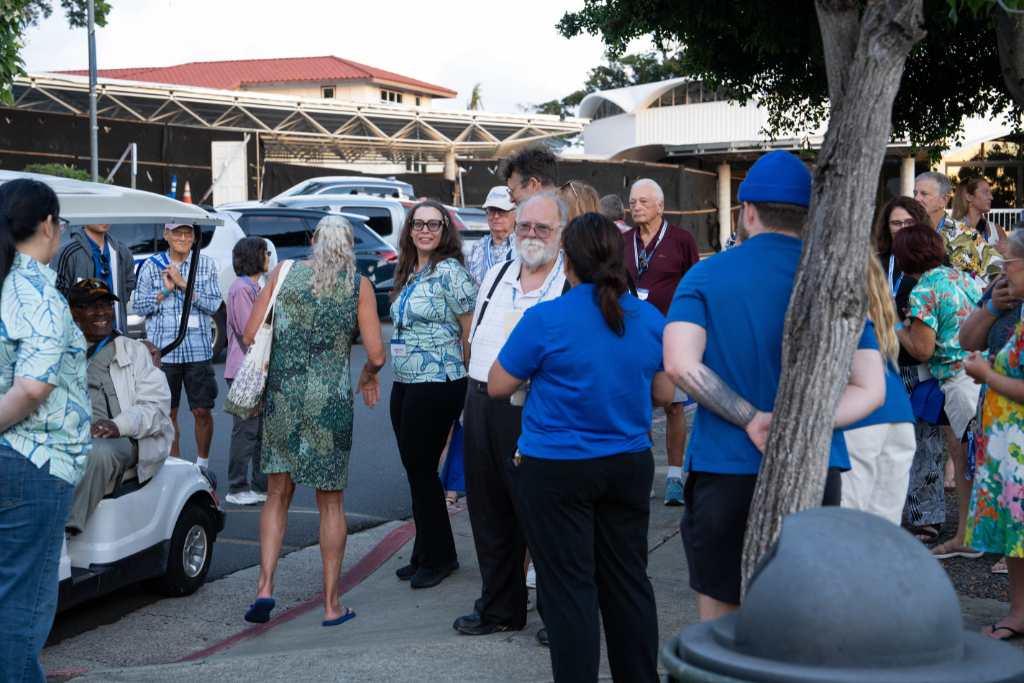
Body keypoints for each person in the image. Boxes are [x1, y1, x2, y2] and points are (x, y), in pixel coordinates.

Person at [663, 150, 885, 622]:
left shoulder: (706, 275)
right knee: (800, 618)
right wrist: (793, 424)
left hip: (725, 469)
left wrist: (751, 418)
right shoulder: (835, 283)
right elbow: (870, 388)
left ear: (747, 211)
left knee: (720, 620)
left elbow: (680, 364)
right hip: (815, 466)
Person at [490, 212, 675, 683]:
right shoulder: (648, 318)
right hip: (627, 463)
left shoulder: (546, 318)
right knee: (628, 583)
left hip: (557, 468)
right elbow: (664, 393)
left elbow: (497, 384)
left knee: (569, 590)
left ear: (567, 261)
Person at [243, 215, 385, 626]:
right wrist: (368, 375)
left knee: (276, 494)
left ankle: (265, 587)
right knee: (331, 503)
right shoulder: (357, 285)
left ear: (313, 240)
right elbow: (377, 354)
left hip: (283, 395)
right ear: (350, 245)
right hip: (330, 400)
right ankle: (331, 604)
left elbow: (250, 334)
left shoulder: (283, 273)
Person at [453, 191, 568, 637]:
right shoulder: (498, 273)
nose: (531, 234)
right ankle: (500, 608)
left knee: (544, 516)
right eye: (525, 226)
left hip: (537, 408)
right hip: (482, 401)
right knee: (488, 512)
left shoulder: (568, 282)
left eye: (543, 227)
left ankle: (560, 615)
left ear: (561, 233)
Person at [0, 179, 90, 682]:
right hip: (34, 461)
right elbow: (33, 387)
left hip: (13, 461)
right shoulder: (34, 290)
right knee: (23, 604)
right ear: (49, 225)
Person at [390, 200, 478, 589]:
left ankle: (441, 557)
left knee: (422, 468)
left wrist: (471, 379)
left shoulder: (451, 272)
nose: (425, 230)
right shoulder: (410, 269)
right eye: (418, 224)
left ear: (445, 231)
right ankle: (425, 550)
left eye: (433, 224)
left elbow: (469, 330)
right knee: (415, 469)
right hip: (405, 379)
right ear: (409, 230)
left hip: (439, 379)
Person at [894, 224, 983, 560]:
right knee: (978, 458)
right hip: (982, 373)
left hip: (958, 381)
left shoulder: (923, 291)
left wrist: (897, 327)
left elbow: (922, 350)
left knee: (968, 461)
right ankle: (972, 535)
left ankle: (969, 538)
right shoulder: (961, 277)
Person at [65, 278, 174, 534]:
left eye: (106, 305)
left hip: (124, 438)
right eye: (92, 306)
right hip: (69, 434)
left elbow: (156, 408)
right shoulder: (59, 351)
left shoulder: (135, 351)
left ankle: (62, 531)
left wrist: (117, 425)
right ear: (74, 313)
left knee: (96, 453)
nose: (102, 312)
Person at [623, 178, 700, 506]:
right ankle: (643, 476)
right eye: (632, 202)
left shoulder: (681, 240)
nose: (636, 207)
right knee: (637, 401)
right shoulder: (623, 241)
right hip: (633, 335)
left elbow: (694, 284)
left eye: (643, 201)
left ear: (660, 206)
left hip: (670, 334)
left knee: (674, 404)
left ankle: (674, 477)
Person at [963, 230, 1024, 640]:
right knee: (1013, 528)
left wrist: (987, 375)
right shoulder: (1003, 292)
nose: (1003, 271)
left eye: (1010, 264)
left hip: (1015, 433)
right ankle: (1019, 612)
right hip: (1006, 436)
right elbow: (966, 338)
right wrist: (991, 305)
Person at [133, 223, 222, 472]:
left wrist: (183, 284)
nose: (183, 238)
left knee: (202, 410)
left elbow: (214, 305)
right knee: (168, 413)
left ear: (194, 237)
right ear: (166, 235)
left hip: (198, 349)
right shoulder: (152, 265)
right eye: (177, 233)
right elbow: (139, 306)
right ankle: (177, 468)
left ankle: (202, 466)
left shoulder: (206, 264)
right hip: (165, 351)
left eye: (187, 233)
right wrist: (164, 291)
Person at [840, 256, 916, 523]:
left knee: (847, 524)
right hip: (898, 411)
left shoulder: (846, 315)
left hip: (857, 414)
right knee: (884, 527)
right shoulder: (879, 315)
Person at [224, 237, 271, 506]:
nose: (269, 257)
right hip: (245, 368)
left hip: (258, 367)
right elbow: (248, 332)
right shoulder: (242, 288)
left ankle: (260, 485)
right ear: (254, 255)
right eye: (265, 252)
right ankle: (237, 486)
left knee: (260, 430)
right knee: (246, 430)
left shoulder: (257, 286)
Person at [914, 171, 1000, 282]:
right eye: (915, 193)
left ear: (943, 200)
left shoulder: (965, 235)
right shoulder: (910, 232)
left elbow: (998, 271)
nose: (916, 199)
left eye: (924, 194)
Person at [54, 223, 136, 333]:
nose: (104, 218)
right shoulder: (67, 252)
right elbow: (57, 297)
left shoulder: (122, 251)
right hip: (81, 338)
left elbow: (128, 286)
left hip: (116, 334)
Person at [466, 186, 516, 284]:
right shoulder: (477, 247)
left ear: (515, 213)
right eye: (491, 210)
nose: (496, 216)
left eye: (502, 211)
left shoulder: (522, 247)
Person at [953, 176, 1003, 247]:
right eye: (985, 192)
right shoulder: (954, 230)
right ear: (969, 197)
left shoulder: (996, 229)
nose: (991, 197)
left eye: (990, 192)